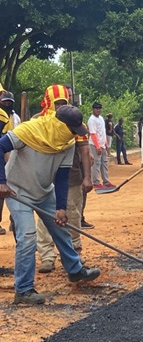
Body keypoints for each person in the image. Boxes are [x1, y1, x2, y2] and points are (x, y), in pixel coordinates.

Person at [0, 85, 101, 305]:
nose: (76, 133)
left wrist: (61, 208)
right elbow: (0, 147)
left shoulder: (66, 142)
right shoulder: (28, 131)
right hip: (18, 191)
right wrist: (2, 181)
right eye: (73, 128)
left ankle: (75, 270)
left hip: (45, 192)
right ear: (60, 124)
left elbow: (63, 177)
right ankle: (24, 291)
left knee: (61, 228)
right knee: (27, 237)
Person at [36, 114, 93, 273]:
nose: (60, 106)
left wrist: (87, 177)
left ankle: (74, 252)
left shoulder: (76, 122)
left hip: (72, 176)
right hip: (45, 178)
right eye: (57, 103)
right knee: (44, 218)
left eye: (63, 102)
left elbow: (85, 151)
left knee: (73, 215)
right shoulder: (39, 121)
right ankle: (46, 256)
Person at [88, 102, 114, 189]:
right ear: (93, 109)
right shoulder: (92, 120)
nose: (98, 110)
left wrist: (106, 144)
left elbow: (103, 132)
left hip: (102, 144)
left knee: (104, 163)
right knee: (96, 163)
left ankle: (106, 181)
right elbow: (93, 133)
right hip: (95, 145)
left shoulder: (101, 118)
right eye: (96, 108)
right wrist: (97, 146)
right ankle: (95, 182)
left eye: (99, 108)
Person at [0, 91, 14, 235]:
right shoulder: (3, 115)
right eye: (5, 102)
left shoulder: (10, 116)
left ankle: (14, 221)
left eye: (9, 102)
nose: (7, 104)